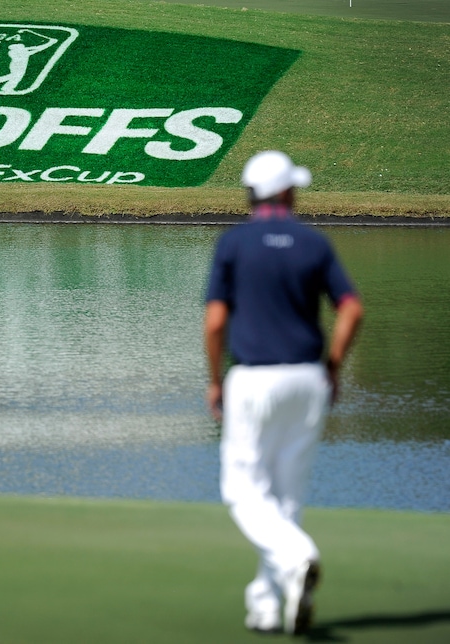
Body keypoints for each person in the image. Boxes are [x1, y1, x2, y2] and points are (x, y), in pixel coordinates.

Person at [203, 150, 364, 635]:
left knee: (242, 489)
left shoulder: (233, 244)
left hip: (253, 379)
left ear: (251, 194)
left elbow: (214, 324)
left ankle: (299, 556)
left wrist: (214, 381)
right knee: (284, 498)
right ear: (288, 193)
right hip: (307, 380)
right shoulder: (314, 243)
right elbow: (351, 309)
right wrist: (333, 366)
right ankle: (268, 605)